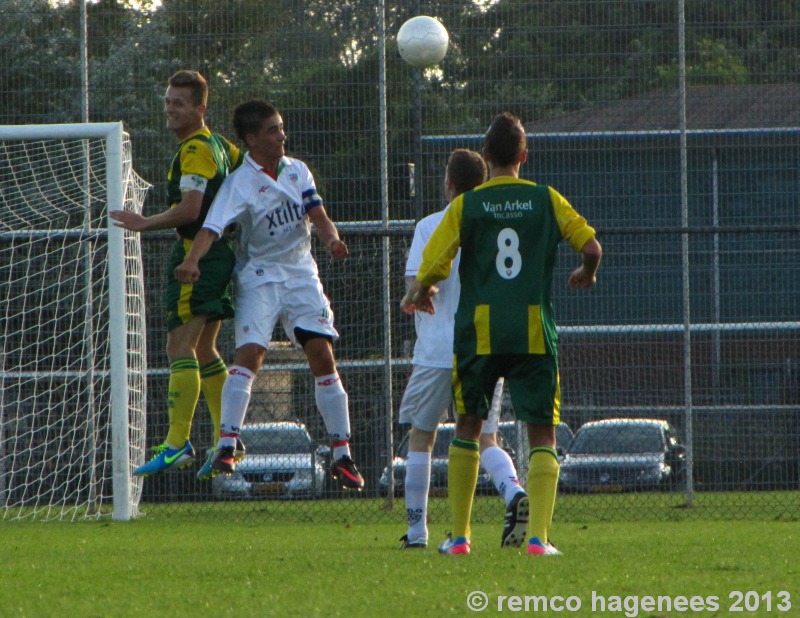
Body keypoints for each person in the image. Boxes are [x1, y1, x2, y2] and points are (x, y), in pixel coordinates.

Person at [412, 112, 602, 556]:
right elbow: (592, 247)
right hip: (533, 331)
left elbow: (434, 265)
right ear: (523, 155)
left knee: (467, 427)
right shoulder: (546, 198)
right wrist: (586, 272)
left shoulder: (467, 204)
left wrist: (420, 291)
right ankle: (538, 540)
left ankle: (459, 539)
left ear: (485, 156)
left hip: (479, 332)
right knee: (541, 434)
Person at [174, 99, 365, 490]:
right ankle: (227, 445)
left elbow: (318, 215)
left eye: (281, 128)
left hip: (300, 273)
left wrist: (331, 239)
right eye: (273, 130)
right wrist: (193, 261)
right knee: (250, 354)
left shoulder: (297, 170)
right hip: (259, 276)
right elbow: (211, 228)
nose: (282, 136)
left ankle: (343, 455)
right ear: (251, 139)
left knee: (321, 353)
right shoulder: (239, 183)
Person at [110, 70, 245, 477]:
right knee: (204, 350)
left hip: (197, 253)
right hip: (216, 251)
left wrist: (143, 222)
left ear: (200, 109)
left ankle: (177, 442)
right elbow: (244, 175)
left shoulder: (195, 150)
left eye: (179, 103)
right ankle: (228, 439)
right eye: (168, 100)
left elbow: (190, 209)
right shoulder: (221, 146)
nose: (169, 108)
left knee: (178, 347)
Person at [398, 149, 528, 550]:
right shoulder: (493, 226)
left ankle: (418, 532)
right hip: (482, 347)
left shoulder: (430, 226)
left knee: (422, 437)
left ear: (448, 183)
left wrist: (414, 297)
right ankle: (512, 492)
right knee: (486, 437)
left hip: (437, 349)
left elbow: (414, 286)